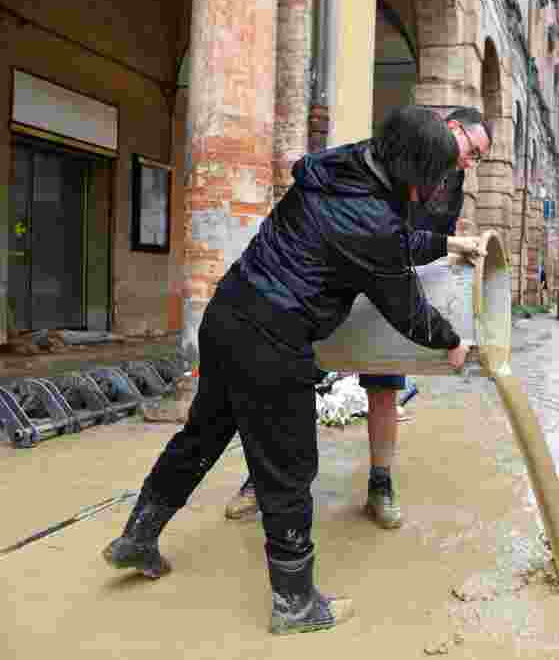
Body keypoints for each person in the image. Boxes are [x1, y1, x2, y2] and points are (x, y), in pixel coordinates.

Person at [102, 106, 473, 636]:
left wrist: (443, 243)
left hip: (228, 313)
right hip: (273, 340)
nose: (432, 190)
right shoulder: (373, 219)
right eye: (433, 177)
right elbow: (406, 308)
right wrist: (453, 342)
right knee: (289, 470)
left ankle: (137, 538)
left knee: (200, 437)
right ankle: (296, 604)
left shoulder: (341, 169)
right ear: (415, 169)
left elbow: (388, 239)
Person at [223, 107, 493, 530]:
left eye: (477, 160)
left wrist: (452, 245)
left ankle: (380, 485)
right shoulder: (395, 150)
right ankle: (260, 480)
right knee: (289, 376)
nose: (469, 163)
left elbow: (412, 245)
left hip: (393, 283)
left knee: (384, 386)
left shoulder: (451, 184)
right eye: (473, 152)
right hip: (334, 281)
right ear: (453, 129)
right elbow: (376, 227)